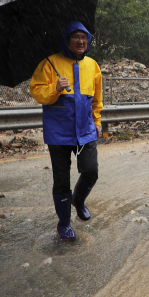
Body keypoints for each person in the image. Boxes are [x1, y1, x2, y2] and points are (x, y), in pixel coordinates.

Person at [30, 21, 103, 241]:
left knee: (91, 171)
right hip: (58, 132)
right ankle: (64, 224)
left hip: (86, 128)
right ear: (67, 40)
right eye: (76, 37)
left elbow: (96, 97)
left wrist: (97, 120)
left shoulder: (93, 65)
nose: (81, 41)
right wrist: (55, 88)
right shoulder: (49, 63)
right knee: (61, 180)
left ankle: (78, 200)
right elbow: (36, 91)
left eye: (84, 37)